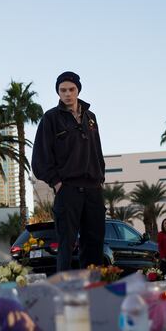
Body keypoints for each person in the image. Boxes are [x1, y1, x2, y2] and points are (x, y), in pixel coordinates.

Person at [32, 71, 106, 272]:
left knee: (94, 244)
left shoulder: (91, 118)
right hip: (68, 189)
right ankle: (65, 293)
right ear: (58, 92)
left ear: (78, 90)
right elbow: (39, 158)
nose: (67, 94)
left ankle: (94, 291)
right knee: (66, 245)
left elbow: (97, 151)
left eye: (71, 89)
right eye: (62, 90)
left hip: (93, 189)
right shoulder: (50, 118)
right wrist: (56, 183)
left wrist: (100, 178)